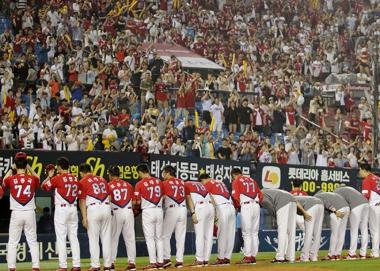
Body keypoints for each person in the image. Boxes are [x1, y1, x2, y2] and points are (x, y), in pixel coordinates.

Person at [2, 152, 40, 271]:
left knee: (13, 242)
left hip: (17, 213)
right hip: (29, 212)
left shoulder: (11, 179)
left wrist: (11, 168)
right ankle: (35, 267)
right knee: (33, 241)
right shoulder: (32, 179)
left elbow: (3, 181)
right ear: (26, 164)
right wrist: (28, 166)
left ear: (15, 164)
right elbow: (37, 178)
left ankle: (12, 267)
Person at [41, 158, 81, 271]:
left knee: (61, 238)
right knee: (73, 237)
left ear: (59, 167)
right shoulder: (75, 178)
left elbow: (43, 187)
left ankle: (63, 266)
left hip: (62, 210)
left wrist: (49, 176)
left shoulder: (57, 178)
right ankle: (76, 265)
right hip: (73, 209)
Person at [78, 163, 112, 271]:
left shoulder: (82, 181)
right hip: (106, 207)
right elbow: (110, 196)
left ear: (81, 172)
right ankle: (108, 265)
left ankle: (95, 265)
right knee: (106, 239)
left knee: (94, 239)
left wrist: (84, 217)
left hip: (93, 209)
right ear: (91, 170)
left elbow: (82, 200)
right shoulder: (102, 179)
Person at [261, 189, 310, 263]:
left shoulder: (260, 194)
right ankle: (290, 257)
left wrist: (277, 216)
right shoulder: (268, 191)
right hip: (292, 201)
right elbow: (295, 200)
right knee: (291, 231)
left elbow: (269, 206)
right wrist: (304, 212)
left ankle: (280, 257)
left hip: (282, 202)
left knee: (282, 230)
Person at [200, 173, 235, 265]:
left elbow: (209, 198)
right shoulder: (220, 182)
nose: (202, 184)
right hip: (231, 207)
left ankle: (220, 258)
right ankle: (227, 258)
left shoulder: (207, 183)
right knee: (230, 234)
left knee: (222, 234)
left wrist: (214, 212)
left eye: (201, 182)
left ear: (204, 179)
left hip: (222, 208)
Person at [134, 164, 164, 270]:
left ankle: (153, 262)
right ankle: (160, 262)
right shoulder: (159, 181)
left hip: (148, 211)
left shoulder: (139, 183)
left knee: (150, 238)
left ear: (141, 172)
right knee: (159, 238)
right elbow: (163, 196)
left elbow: (137, 201)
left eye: (139, 173)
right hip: (159, 210)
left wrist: (136, 208)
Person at [107, 166, 136, 271]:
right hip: (128, 211)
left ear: (111, 174)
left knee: (113, 238)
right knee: (130, 238)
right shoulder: (128, 185)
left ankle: (111, 262)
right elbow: (133, 202)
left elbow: (108, 199)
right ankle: (132, 263)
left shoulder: (108, 185)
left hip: (116, 212)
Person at [231, 168, 262, 264]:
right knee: (254, 232)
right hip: (256, 205)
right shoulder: (252, 180)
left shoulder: (236, 181)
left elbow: (235, 197)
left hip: (246, 205)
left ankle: (248, 256)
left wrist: (236, 207)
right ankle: (253, 256)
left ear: (234, 175)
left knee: (246, 232)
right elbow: (261, 195)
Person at [185, 175, 215, 267]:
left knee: (200, 235)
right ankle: (206, 259)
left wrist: (193, 212)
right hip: (210, 207)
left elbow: (188, 198)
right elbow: (212, 198)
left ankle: (199, 260)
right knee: (209, 235)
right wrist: (215, 212)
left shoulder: (186, 184)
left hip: (200, 208)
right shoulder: (202, 185)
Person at [161, 165, 187, 269]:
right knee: (180, 237)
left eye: (164, 172)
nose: (163, 174)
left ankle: (166, 259)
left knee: (165, 236)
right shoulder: (181, 182)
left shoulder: (165, 183)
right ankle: (179, 261)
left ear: (168, 173)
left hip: (172, 209)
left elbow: (161, 197)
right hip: (183, 208)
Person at [334, 185, 369, 259]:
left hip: (356, 206)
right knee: (364, 229)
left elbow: (341, 205)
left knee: (354, 230)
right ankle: (363, 254)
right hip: (366, 203)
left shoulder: (336, 192)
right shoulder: (350, 188)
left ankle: (352, 254)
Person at [315, 191, 349, 260]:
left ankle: (331, 255)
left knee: (335, 234)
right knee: (341, 233)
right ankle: (337, 254)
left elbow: (326, 204)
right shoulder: (330, 194)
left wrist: (335, 211)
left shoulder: (316, 197)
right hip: (346, 208)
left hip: (337, 210)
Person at [295, 196, 324, 262]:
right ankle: (313, 257)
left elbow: (295, 202)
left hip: (311, 206)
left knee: (309, 233)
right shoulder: (303, 197)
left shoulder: (289, 198)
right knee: (317, 233)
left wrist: (304, 212)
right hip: (320, 204)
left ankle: (304, 257)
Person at [360, 163, 380, 258]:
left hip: (374, 206)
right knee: (377, 230)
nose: (360, 172)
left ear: (365, 170)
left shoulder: (367, 180)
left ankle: (375, 252)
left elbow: (365, 197)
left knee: (375, 230)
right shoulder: (377, 178)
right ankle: (376, 251)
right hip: (378, 205)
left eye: (360, 170)